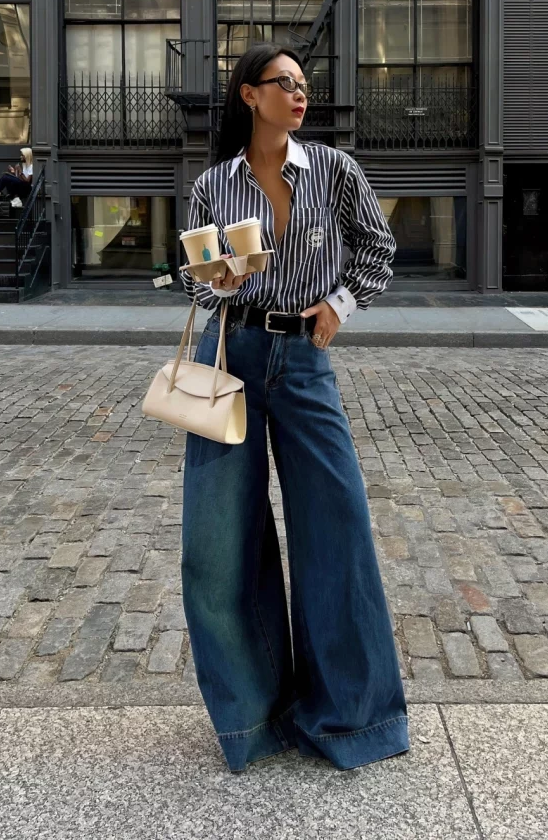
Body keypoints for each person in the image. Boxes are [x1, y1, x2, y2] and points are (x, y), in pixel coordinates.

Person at [179, 43, 409, 774]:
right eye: (285, 84)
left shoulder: (335, 171)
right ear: (250, 96)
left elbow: (378, 248)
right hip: (234, 357)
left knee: (336, 529)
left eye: (305, 85)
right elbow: (196, 281)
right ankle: (254, 719)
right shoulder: (214, 184)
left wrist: (339, 305)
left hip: (305, 363)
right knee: (219, 545)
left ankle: (352, 721)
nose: (300, 95)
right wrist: (218, 278)